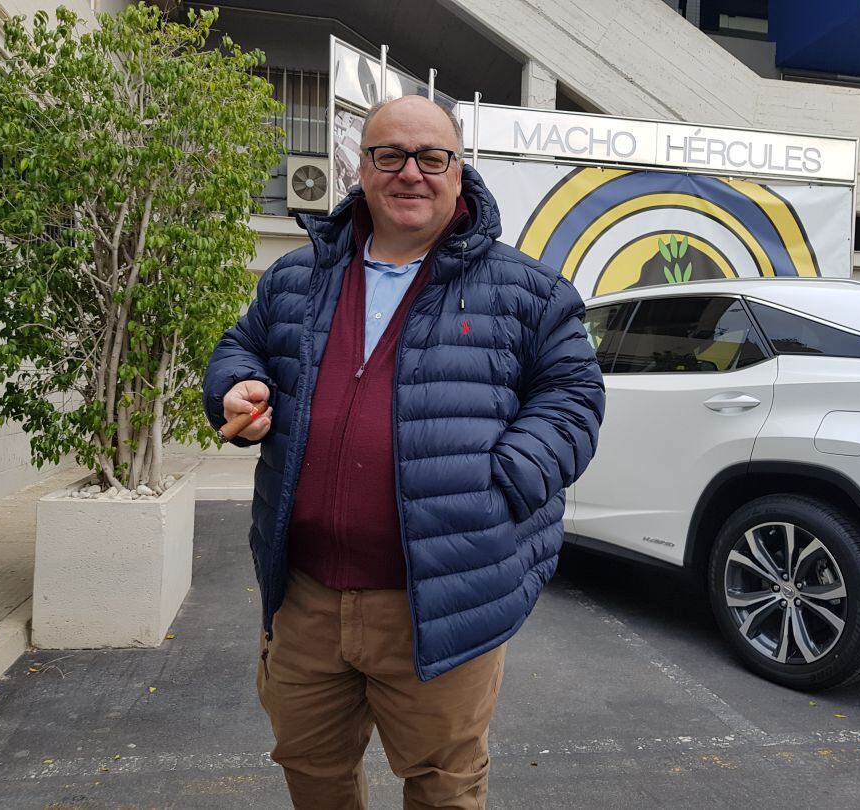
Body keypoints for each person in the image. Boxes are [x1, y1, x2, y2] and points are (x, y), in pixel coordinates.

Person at [203, 95, 605, 809]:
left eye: (431, 157)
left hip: (442, 600)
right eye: (390, 156)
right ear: (363, 169)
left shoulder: (527, 290)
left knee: (443, 786)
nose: (410, 173)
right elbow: (243, 346)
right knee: (312, 771)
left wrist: (499, 486)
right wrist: (236, 385)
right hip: (306, 598)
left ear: (458, 170)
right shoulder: (300, 276)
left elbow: (574, 397)